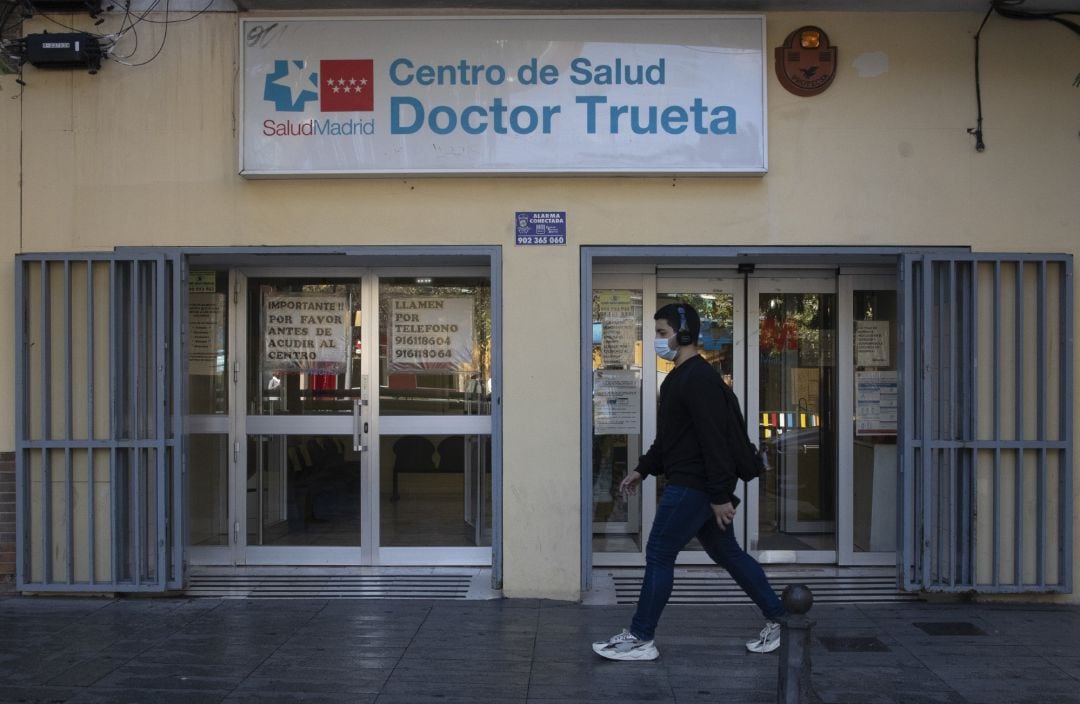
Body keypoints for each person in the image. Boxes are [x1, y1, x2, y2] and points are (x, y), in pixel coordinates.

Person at [592, 302, 786, 662]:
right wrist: (643, 469)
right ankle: (783, 620)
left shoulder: (700, 379)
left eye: (662, 333)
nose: (657, 341)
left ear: (684, 335)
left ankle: (640, 637)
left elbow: (713, 440)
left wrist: (718, 495)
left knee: (659, 552)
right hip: (696, 483)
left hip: (694, 486)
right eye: (656, 334)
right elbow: (670, 438)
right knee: (727, 552)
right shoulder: (679, 378)